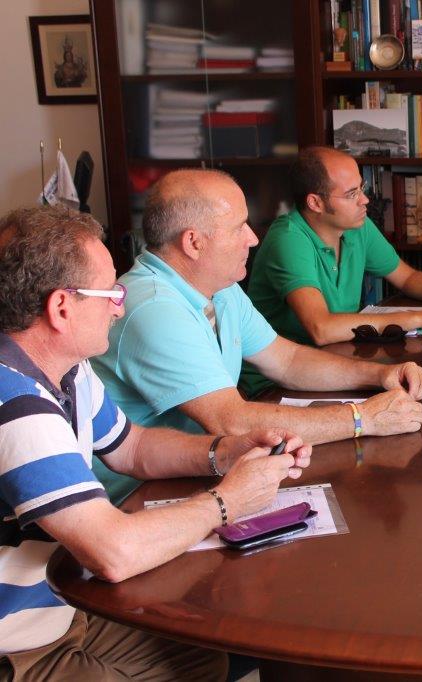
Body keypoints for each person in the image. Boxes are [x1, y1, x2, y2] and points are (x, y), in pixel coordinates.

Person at [0, 206, 312, 680]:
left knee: (200, 657)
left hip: (62, 603)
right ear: (62, 308)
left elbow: (133, 447)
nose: (119, 307)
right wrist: (229, 501)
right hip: (18, 644)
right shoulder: (15, 401)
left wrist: (225, 451)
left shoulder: (68, 368)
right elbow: (113, 552)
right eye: (111, 293)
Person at [94, 169, 422, 503]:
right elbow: (232, 422)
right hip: (131, 498)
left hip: (196, 470)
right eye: (239, 227)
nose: (253, 239)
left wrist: (380, 374)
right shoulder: (155, 308)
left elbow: (287, 360)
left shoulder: (218, 286)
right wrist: (362, 418)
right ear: (194, 242)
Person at [246, 147, 422, 353]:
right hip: (278, 375)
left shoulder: (355, 226)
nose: (365, 199)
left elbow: (406, 277)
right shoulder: (288, 239)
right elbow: (321, 328)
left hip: (335, 356)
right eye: (352, 194)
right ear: (315, 203)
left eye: (362, 187)